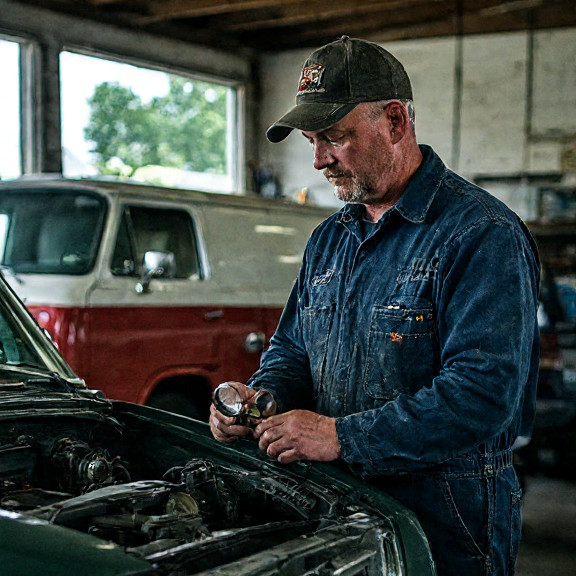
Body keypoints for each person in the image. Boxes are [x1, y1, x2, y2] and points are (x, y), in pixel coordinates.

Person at [210, 35, 540, 576]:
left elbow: (483, 394)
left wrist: (340, 436)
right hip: (337, 502)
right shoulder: (329, 239)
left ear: (394, 122)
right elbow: (293, 350)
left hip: (444, 518)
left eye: (334, 138)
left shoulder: (482, 235)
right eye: (311, 141)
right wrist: (259, 402)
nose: (318, 160)